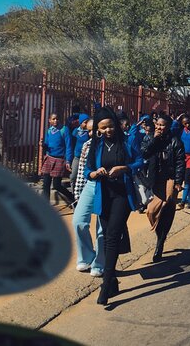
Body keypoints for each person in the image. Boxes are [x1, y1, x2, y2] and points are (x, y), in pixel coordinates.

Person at [84, 107, 144, 305]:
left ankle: (105, 285)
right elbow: (88, 170)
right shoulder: (97, 145)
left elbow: (139, 161)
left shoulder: (127, 141)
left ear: (115, 125)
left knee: (111, 236)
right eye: (103, 128)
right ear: (98, 130)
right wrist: (94, 174)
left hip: (122, 196)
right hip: (104, 196)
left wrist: (124, 168)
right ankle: (114, 280)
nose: (108, 130)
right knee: (106, 235)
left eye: (110, 126)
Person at [140, 114, 185, 262]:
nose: (159, 127)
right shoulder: (149, 138)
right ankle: (160, 233)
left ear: (168, 126)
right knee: (151, 211)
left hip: (170, 179)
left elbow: (180, 162)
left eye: (162, 125)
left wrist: (178, 181)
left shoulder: (175, 141)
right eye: (158, 125)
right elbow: (144, 153)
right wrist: (154, 139)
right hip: (155, 179)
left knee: (168, 206)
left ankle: (160, 244)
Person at [72, 118, 104, 277]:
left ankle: (100, 262)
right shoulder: (87, 146)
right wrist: (78, 194)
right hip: (90, 186)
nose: (92, 134)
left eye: (95, 130)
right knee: (78, 221)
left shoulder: (112, 144)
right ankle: (86, 257)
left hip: (107, 187)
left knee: (102, 227)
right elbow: (81, 173)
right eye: (89, 131)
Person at [41, 113, 74, 205]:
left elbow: (68, 146)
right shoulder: (49, 131)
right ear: (49, 120)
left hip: (59, 159)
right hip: (49, 158)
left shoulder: (64, 130)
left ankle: (72, 198)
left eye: (57, 119)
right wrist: (44, 145)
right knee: (46, 184)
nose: (55, 121)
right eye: (53, 119)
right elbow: (47, 144)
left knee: (57, 185)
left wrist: (68, 160)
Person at [70, 114, 91, 191]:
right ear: (81, 123)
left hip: (86, 158)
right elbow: (72, 143)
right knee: (73, 176)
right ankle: (73, 192)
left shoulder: (89, 132)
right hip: (77, 157)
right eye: (85, 122)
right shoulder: (76, 131)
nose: (86, 124)